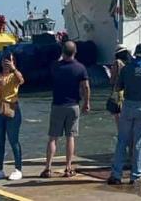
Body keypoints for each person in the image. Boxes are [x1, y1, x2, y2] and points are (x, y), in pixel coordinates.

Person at [108, 43, 141, 185]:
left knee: (122, 140)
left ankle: (116, 174)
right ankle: (136, 175)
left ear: (134, 54)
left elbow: (118, 86)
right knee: (139, 142)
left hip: (128, 106)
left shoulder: (126, 68)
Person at [41, 41, 90, 178]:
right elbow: (86, 87)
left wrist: (60, 57)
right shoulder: (80, 68)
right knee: (70, 137)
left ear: (63, 52)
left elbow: (54, 65)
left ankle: (47, 168)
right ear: (75, 52)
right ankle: (68, 168)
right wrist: (86, 103)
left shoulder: (56, 66)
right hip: (73, 106)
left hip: (57, 105)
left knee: (53, 138)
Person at [0, 51, 25, 180]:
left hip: (12, 108)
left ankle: (18, 169)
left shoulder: (14, 76)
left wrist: (14, 69)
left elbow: (22, 81)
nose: (6, 63)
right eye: (4, 60)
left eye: (9, 60)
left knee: (13, 140)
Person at [108, 45, 131, 125]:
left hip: (118, 90)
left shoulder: (117, 62)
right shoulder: (129, 63)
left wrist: (110, 73)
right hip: (127, 91)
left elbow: (112, 80)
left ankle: (120, 133)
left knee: (117, 114)